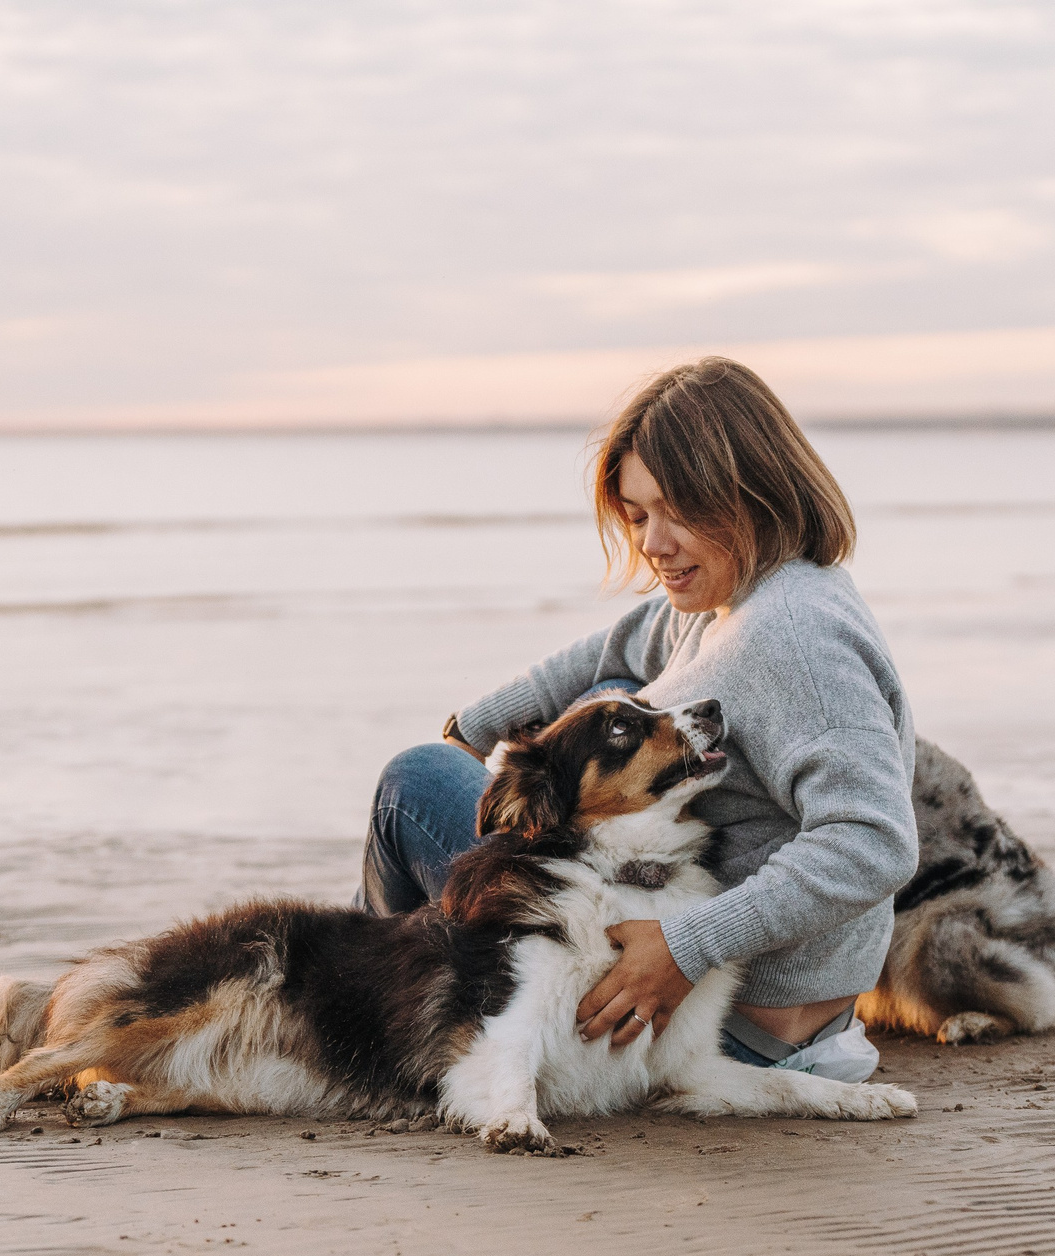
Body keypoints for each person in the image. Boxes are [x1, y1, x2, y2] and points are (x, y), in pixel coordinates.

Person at [359, 357, 917, 1081]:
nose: (651, 544)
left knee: (414, 783)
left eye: (675, 512)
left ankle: (369, 1020)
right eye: (637, 515)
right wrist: (476, 724)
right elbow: (616, 644)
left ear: (750, 492)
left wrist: (686, 947)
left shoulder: (791, 639)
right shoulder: (741, 597)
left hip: (719, 1010)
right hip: (734, 982)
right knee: (621, 692)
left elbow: (873, 840)